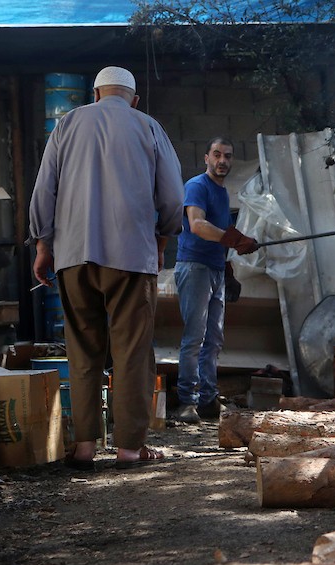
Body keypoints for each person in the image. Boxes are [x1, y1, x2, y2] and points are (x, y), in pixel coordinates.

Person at [29, 65, 184, 471]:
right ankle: (129, 449)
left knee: (82, 352)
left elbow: (44, 189)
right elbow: (172, 195)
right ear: (133, 99)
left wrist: (44, 245)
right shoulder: (147, 126)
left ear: (95, 95)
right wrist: (163, 236)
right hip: (131, 258)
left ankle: (83, 447)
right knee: (131, 352)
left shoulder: (66, 124)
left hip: (73, 256)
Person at [172, 136, 258, 423]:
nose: (223, 161)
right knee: (195, 337)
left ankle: (208, 400)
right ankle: (186, 402)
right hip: (195, 267)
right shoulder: (197, 186)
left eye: (228, 156)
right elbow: (197, 225)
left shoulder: (222, 193)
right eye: (217, 155)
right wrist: (234, 239)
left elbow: (221, 233)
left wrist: (228, 266)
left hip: (215, 269)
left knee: (214, 339)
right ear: (206, 158)